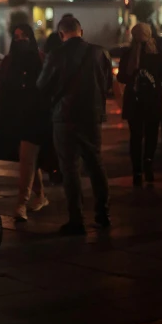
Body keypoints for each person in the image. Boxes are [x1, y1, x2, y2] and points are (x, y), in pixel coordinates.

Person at [37, 16, 112, 235]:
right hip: (92, 116)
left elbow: (42, 86)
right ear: (82, 31)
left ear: (61, 35)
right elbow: (106, 83)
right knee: (96, 164)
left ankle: (76, 219)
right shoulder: (100, 52)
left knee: (69, 169)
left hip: (64, 117)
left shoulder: (56, 55)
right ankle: (103, 214)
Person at [0, 23, 51, 222]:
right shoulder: (8, 62)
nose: (20, 39)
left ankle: (22, 202)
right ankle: (40, 195)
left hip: (36, 118)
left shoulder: (41, 59)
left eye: (24, 35)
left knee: (27, 158)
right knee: (28, 160)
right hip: (14, 118)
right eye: (17, 36)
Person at [117, 23, 162, 186]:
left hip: (133, 102)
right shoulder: (157, 56)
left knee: (135, 137)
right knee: (151, 136)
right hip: (152, 102)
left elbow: (121, 77)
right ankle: (148, 163)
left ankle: (136, 171)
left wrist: (132, 77)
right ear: (150, 36)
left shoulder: (127, 54)